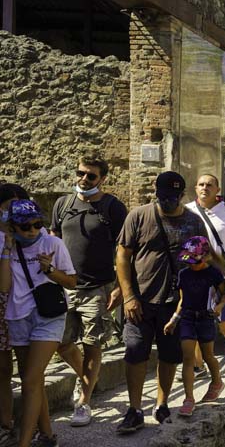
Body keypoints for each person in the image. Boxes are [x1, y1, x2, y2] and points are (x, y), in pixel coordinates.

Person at [115, 171, 205, 433]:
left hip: (175, 303)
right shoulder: (139, 216)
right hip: (140, 300)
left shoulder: (193, 222)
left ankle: (162, 403)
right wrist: (128, 295)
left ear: (182, 195)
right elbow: (122, 256)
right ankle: (134, 409)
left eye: (173, 197)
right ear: (156, 193)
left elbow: (203, 256)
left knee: (170, 355)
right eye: (164, 196)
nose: (168, 201)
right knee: (135, 353)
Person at [51, 158, 128, 427]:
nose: (84, 179)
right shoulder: (63, 204)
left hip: (98, 287)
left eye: (91, 176)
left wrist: (120, 287)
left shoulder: (113, 208)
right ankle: (88, 379)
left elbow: (125, 250)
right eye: (81, 174)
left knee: (92, 343)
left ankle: (84, 401)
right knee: (60, 343)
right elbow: (54, 239)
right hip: (65, 286)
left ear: (102, 179)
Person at [5, 200, 77, 447]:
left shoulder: (52, 243)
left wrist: (50, 271)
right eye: (26, 226)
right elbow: (3, 286)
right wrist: (6, 250)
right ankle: (47, 436)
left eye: (38, 224)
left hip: (48, 315)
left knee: (30, 380)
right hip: (17, 316)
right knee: (32, 381)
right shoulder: (7, 245)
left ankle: (24, 443)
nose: (33, 230)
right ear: (12, 226)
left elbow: (71, 282)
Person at [185, 175, 225, 372]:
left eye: (210, 185)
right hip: (196, 272)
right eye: (201, 184)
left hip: (223, 272)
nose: (205, 188)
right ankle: (198, 364)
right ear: (196, 188)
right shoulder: (187, 210)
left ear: (217, 189)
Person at [163, 236, 225, 417]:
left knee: (208, 355)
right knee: (188, 358)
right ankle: (188, 398)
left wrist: (219, 308)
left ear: (206, 256)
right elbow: (183, 300)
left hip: (206, 318)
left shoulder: (214, 274)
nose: (192, 265)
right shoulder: (184, 274)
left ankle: (217, 382)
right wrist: (173, 320)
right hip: (187, 318)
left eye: (195, 261)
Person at [0, 184, 29, 447]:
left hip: (16, 308)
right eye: (9, 206)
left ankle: (6, 425)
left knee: (7, 369)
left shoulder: (27, 234)